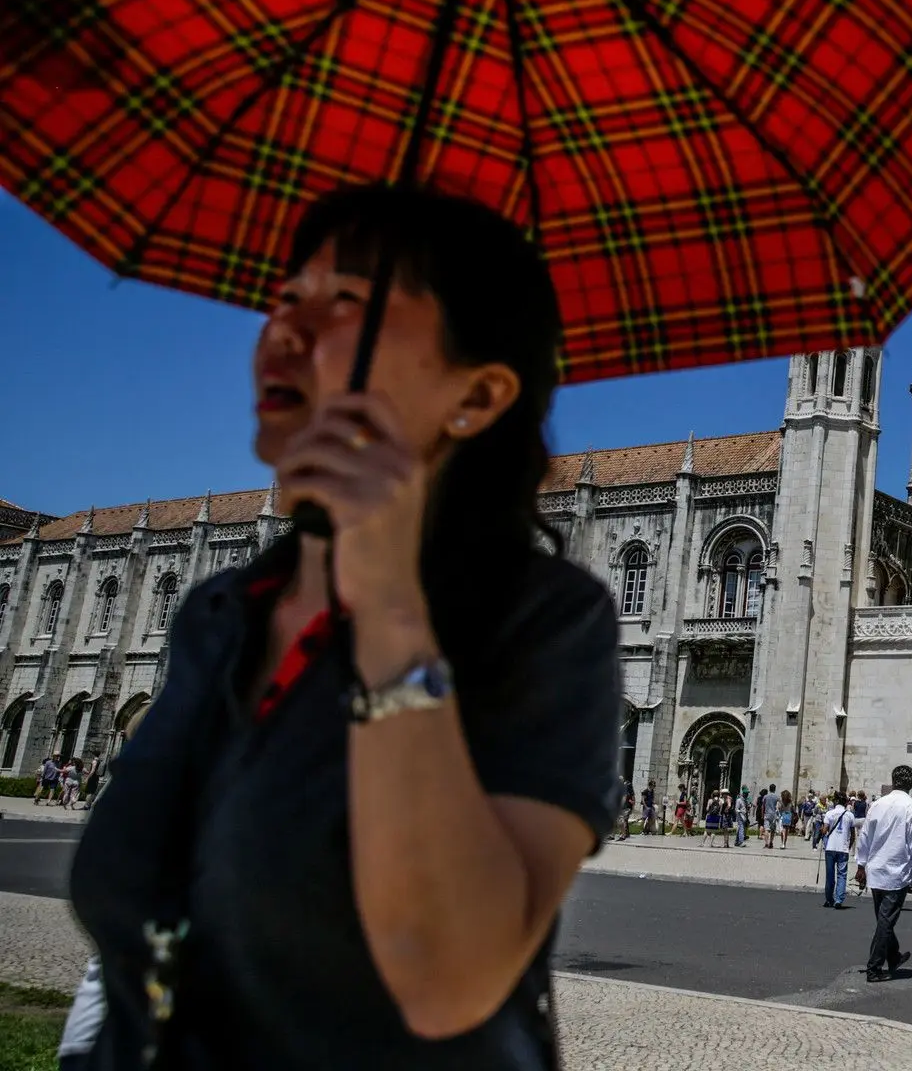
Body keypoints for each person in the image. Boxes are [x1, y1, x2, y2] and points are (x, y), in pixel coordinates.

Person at [67, 186, 620, 1067]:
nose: (285, 328)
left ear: (477, 393)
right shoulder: (222, 614)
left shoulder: (547, 624)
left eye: (348, 303)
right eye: (287, 296)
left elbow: (449, 978)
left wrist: (389, 598)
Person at [853, 767, 912, 982]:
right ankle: (874, 968)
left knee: (883, 919)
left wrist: (861, 866)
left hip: (875, 871)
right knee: (885, 922)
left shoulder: (877, 805)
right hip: (896, 874)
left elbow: (865, 836)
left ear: (893, 780)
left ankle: (894, 956)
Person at [819, 791, 852, 909]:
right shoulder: (849, 815)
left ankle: (829, 899)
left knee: (830, 875)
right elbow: (852, 834)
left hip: (831, 847)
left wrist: (822, 830)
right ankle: (839, 899)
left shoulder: (829, 813)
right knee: (842, 875)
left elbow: (825, 830)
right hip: (843, 848)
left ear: (836, 801)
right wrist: (849, 845)